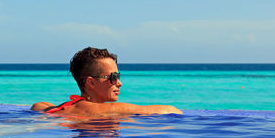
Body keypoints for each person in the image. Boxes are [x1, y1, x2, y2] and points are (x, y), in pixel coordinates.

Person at [31, 47, 182, 116]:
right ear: (91, 83)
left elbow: (39, 105)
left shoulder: (61, 108)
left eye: (119, 76)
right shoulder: (104, 110)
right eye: (113, 77)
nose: (119, 83)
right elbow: (170, 110)